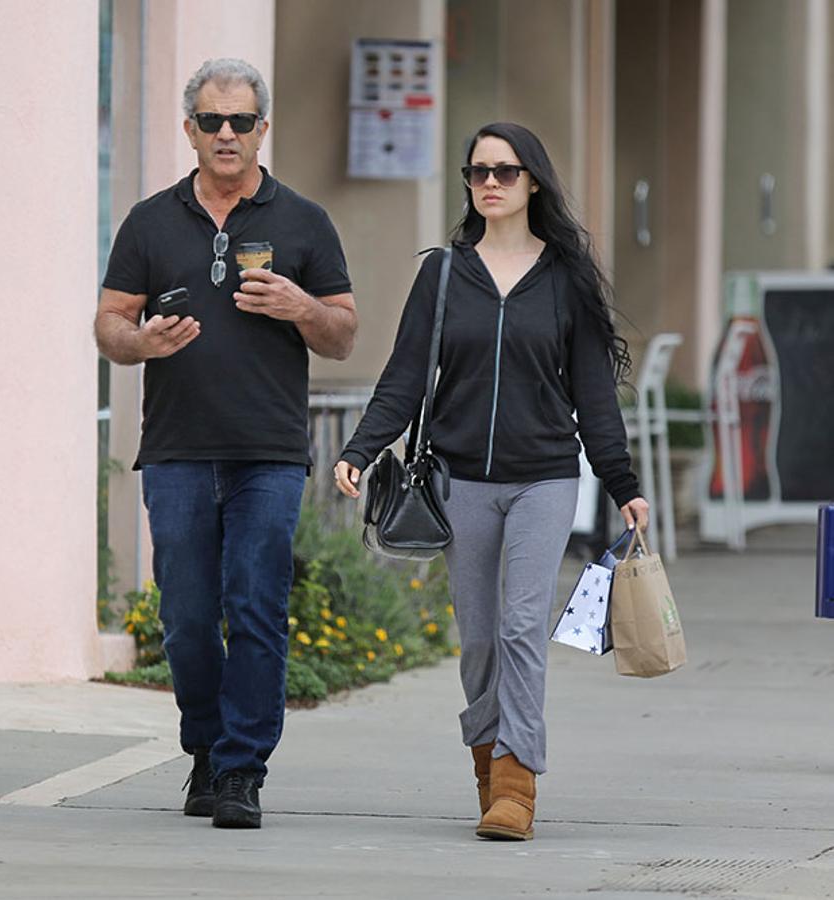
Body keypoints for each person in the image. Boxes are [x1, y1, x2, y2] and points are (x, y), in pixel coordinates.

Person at [334, 122, 648, 841]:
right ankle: (487, 769)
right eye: (478, 171)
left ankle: (516, 781)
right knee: (477, 638)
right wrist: (361, 446)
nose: (490, 183)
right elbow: (405, 375)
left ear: (531, 181)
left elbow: (594, 395)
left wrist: (620, 481)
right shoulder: (443, 274)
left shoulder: (564, 281)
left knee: (518, 627)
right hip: (458, 481)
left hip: (541, 479)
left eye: (505, 171)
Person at [95, 58, 357, 829]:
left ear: (260, 129)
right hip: (175, 450)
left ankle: (240, 769)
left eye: (241, 121)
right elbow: (108, 324)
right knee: (183, 614)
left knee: (255, 608)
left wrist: (299, 304)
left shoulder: (303, 221)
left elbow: (342, 335)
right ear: (190, 130)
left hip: (267, 453)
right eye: (212, 121)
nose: (227, 134)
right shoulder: (149, 220)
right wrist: (139, 343)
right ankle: (204, 749)